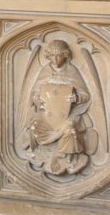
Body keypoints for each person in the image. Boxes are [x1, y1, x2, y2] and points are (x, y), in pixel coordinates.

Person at [20, 40, 94, 175]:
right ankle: (42, 152)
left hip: (70, 113)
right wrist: (38, 100)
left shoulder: (72, 70)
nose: (55, 59)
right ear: (48, 56)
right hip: (47, 112)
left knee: (69, 129)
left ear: (66, 55)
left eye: (59, 55)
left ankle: (62, 158)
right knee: (34, 124)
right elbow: (35, 92)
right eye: (52, 56)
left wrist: (77, 97)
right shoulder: (45, 70)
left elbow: (85, 95)